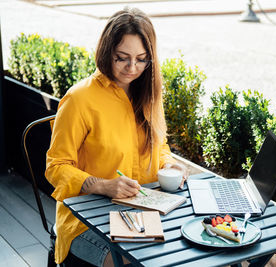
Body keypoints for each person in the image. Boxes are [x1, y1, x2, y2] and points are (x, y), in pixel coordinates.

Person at [45, 7, 188, 267]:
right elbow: (56, 167)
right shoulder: (79, 100)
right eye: (122, 58)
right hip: (85, 221)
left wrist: (169, 164)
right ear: (107, 51)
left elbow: (160, 145)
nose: (132, 68)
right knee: (140, 262)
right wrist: (101, 184)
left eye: (142, 59)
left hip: (146, 210)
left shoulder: (149, 94)